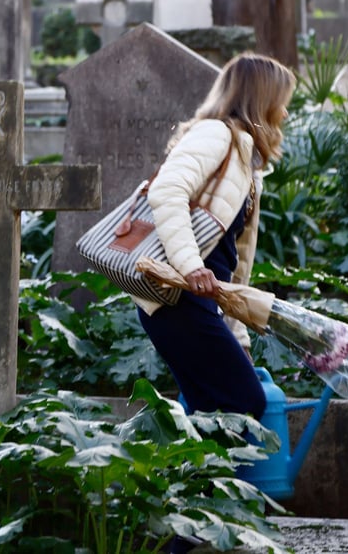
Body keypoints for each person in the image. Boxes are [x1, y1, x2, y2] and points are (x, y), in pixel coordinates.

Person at [133, 52, 296, 420]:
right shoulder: (216, 134)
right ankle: (205, 478)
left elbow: (232, 263)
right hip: (177, 298)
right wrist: (191, 267)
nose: (284, 114)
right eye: (281, 103)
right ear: (261, 101)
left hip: (197, 301)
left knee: (212, 409)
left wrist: (236, 336)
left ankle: (190, 477)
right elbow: (167, 191)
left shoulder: (245, 159)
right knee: (243, 402)